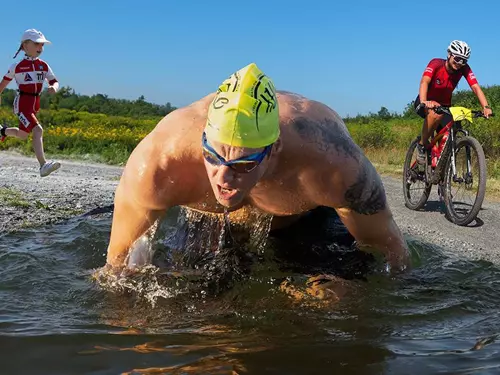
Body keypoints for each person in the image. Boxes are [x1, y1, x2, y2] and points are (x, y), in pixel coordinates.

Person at [104, 62, 409, 280]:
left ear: (273, 148)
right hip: (208, 224)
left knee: (330, 300)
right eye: (212, 157)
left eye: (243, 164)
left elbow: (388, 252)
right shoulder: (160, 162)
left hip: (300, 225)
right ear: (203, 140)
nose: (223, 178)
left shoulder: (331, 164)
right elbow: (116, 266)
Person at [414, 40, 493, 164]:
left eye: (464, 60)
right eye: (457, 58)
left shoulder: (463, 69)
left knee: (453, 129)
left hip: (445, 106)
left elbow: (475, 87)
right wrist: (425, 101)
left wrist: (486, 107)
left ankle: (442, 171)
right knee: (434, 114)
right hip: (426, 101)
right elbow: (425, 81)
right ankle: (422, 145)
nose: (460, 63)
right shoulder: (436, 63)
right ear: (449, 54)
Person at [0, 28, 61, 177]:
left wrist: (54, 87)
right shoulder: (17, 66)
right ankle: (43, 165)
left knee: (22, 135)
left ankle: (1, 131)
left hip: (35, 104)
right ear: (25, 45)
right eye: (37, 44)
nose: (40, 48)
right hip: (22, 104)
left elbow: (54, 81)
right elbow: (3, 84)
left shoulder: (44, 65)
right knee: (38, 130)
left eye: (42, 45)